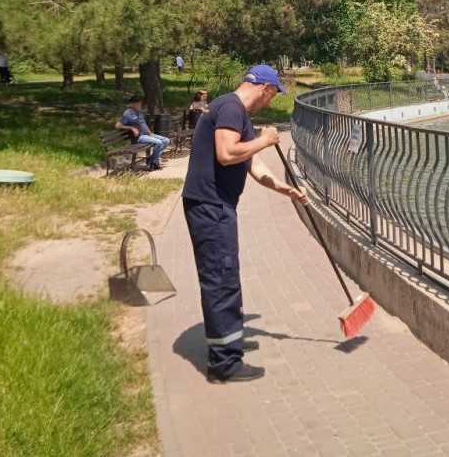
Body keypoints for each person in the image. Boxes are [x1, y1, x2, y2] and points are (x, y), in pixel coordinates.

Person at [182, 64, 308, 384]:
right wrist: (264, 140)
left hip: (217, 205)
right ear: (265, 87)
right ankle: (224, 364)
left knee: (228, 276)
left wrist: (287, 190)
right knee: (221, 279)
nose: (271, 101)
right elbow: (227, 153)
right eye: (273, 94)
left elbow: (254, 165)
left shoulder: (237, 113)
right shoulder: (230, 107)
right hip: (210, 206)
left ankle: (231, 341)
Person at [115, 94, 169, 171]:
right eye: (137, 103)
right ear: (132, 104)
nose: (139, 105)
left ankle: (150, 159)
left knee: (166, 140)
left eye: (140, 103)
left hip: (146, 135)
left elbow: (143, 123)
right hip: (138, 137)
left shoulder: (140, 112)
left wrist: (149, 132)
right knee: (159, 143)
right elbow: (117, 125)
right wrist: (131, 128)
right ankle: (153, 162)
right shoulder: (127, 113)